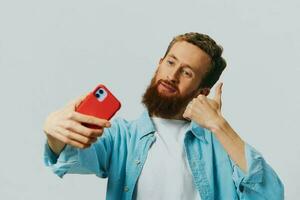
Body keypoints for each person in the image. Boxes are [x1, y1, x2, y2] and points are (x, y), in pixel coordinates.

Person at [43, 32, 284, 200]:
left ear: (203, 91)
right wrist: (55, 133)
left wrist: (219, 125)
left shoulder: (220, 145)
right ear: (159, 64)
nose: (172, 75)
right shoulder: (122, 137)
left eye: (187, 72)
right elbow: (68, 157)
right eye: (170, 62)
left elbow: (271, 195)